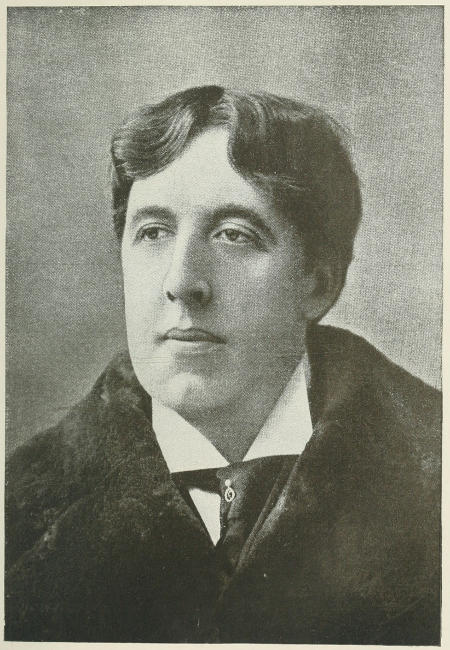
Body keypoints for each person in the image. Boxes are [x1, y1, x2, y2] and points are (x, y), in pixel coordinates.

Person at [5, 85, 441, 644]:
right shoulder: (19, 509)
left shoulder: (435, 478)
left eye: (234, 235)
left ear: (317, 283)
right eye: (153, 232)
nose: (182, 281)